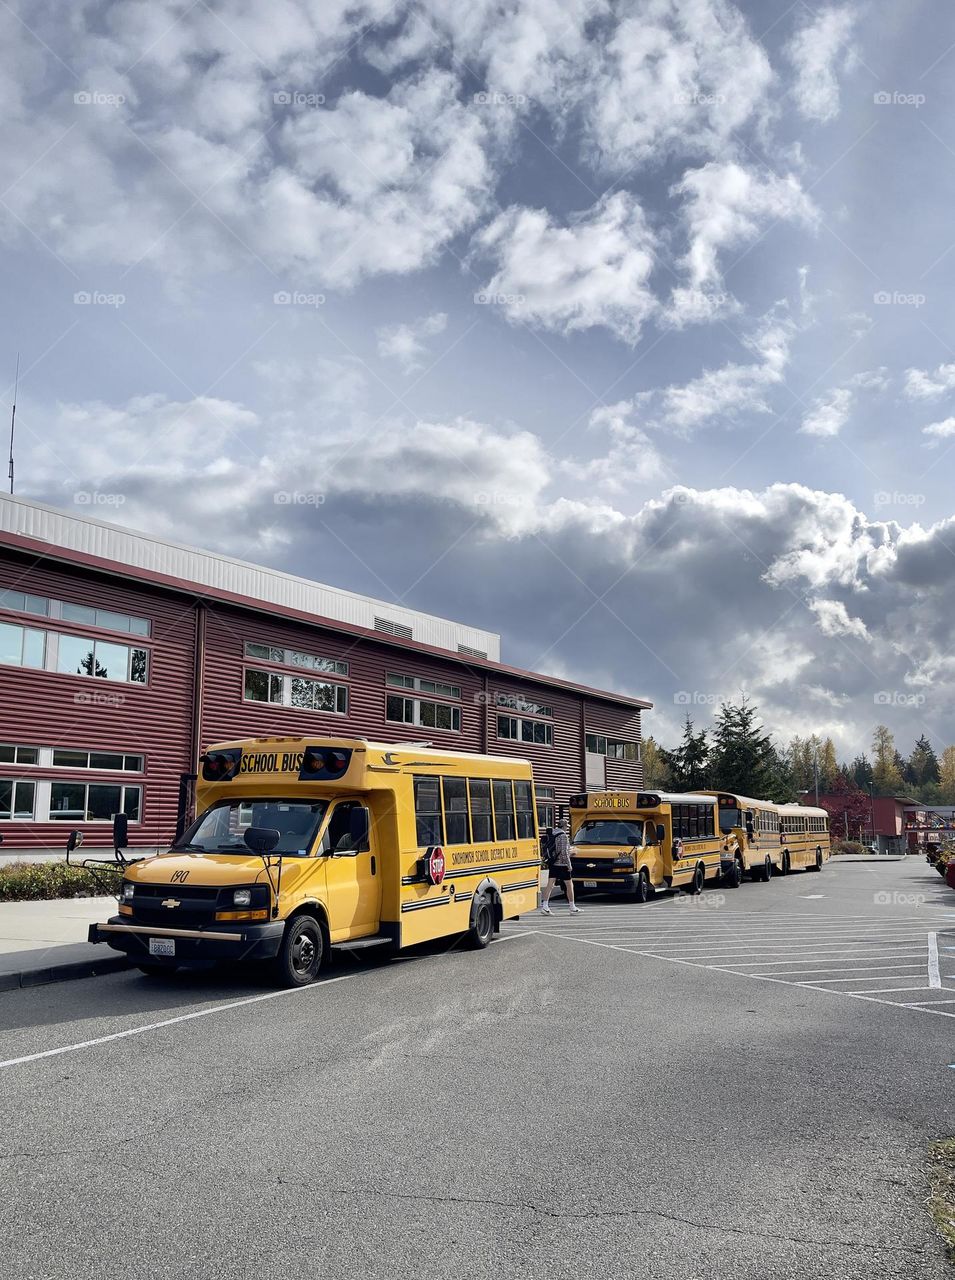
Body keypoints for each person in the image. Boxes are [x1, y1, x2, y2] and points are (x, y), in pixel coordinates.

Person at [540, 819, 582, 914]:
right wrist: (569, 864)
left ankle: (545, 906)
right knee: (569, 885)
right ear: (564, 826)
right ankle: (572, 907)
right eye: (567, 827)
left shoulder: (553, 834)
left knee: (550, 885)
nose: (567, 828)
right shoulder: (563, 836)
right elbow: (563, 853)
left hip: (553, 863)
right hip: (562, 864)